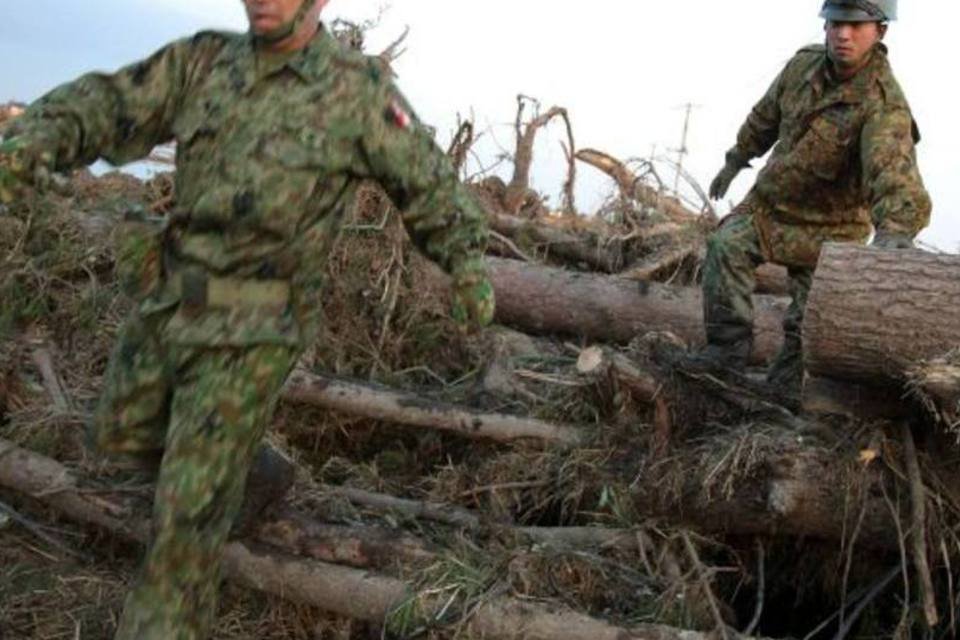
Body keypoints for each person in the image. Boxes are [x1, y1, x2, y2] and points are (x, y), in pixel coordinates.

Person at [0, 0, 495, 637]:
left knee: (184, 521)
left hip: (259, 324)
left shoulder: (358, 92)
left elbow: (426, 180)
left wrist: (466, 262)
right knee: (122, 432)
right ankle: (249, 472)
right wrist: (34, 137)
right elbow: (107, 101)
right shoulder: (204, 62)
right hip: (177, 298)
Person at [697, 0, 931, 392]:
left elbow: (892, 173)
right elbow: (765, 117)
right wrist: (736, 159)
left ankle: (779, 396)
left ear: (880, 32)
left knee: (809, 323)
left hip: (831, 233)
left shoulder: (883, 105)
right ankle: (725, 356)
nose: (843, 34)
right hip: (770, 210)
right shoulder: (803, 65)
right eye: (836, 23)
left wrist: (896, 231)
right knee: (724, 246)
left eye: (857, 26)